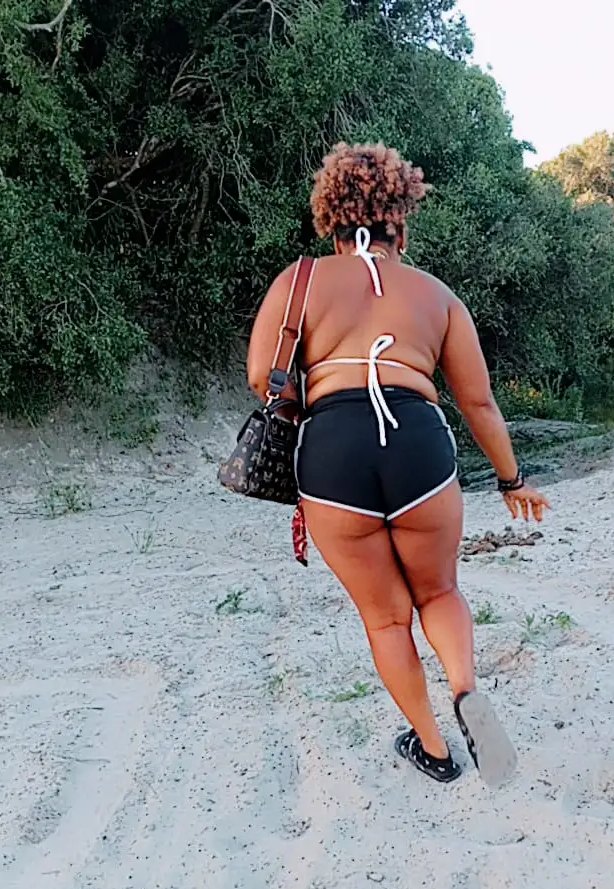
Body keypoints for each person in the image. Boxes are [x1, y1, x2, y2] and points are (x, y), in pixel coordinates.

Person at [247, 142, 550, 786]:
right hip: (417, 442)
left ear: (329, 224)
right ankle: (465, 688)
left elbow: (260, 377)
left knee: (385, 618)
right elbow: (479, 402)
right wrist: (512, 479)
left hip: (333, 450)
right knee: (439, 590)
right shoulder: (437, 296)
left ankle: (434, 749)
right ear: (401, 230)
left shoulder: (299, 280)